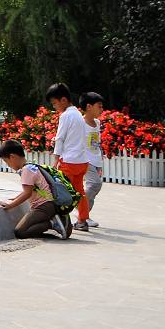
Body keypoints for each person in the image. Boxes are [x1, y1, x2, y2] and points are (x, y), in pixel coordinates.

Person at [0, 139, 72, 238]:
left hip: (43, 206)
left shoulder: (26, 170)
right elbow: (29, 190)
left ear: (12, 157)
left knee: (20, 232)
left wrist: (10, 205)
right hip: (49, 204)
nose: (8, 165)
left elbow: (27, 193)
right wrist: (14, 198)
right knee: (22, 230)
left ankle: (53, 223)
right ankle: (58, 219)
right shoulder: (30, 166)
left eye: (6, 161)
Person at [48, 82, 92, 228]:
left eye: (54, 103)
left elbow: (60, 138)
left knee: (61, 192)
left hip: (69, 162)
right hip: (82, 162)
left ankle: (61, 221)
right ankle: (82, 220)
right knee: (79, 192)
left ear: (63, 100)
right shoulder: (78, 114)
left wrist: (55, 159)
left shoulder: (65, 116)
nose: (54, 107)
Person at [78, 91, 106, 230]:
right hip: (85, 160)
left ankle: (84, 214)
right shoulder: (80, 123)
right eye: (99, 106)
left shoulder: (97, 122)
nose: (102, 109)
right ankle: (83, 215)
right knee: (94, 184)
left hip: (96, 160)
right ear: (89, 106)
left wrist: (100, 160)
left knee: (96, 186)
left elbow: (97, 143)